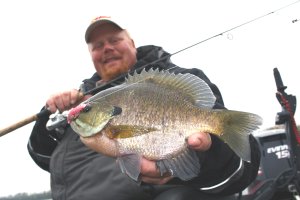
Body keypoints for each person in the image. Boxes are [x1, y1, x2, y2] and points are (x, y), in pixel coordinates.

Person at [27, 16, 261, 200]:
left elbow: (240, 168)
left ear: (132, 44)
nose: (107, 48)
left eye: (114, 40)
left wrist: (210, 155)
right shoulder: (83, 107)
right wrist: (48, 113)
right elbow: (46, 157)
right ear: (91, 56)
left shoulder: (176, 79)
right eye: (98, 45)